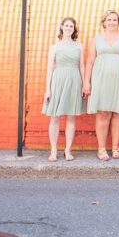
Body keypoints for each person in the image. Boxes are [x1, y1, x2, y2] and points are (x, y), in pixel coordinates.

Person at [83, 10, 119, 161]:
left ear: (118, 22)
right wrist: (87, 81)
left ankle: (115, 147)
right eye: (109, 20)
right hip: (100, 80)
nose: (112, 22)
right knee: (103, 113)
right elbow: (90, 61)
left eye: (114, 20)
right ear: (104, 22)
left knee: (118, 113)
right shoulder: (96, 38)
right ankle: (101, 148)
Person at [42, 17, 85, 162]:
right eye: (66, 25)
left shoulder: (79, 46)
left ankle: (68, 150)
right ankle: (53, 151)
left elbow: (82, 66)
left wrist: (84, 84)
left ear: (74, 29)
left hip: (74, 80)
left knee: (71, 117)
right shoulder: (54, 47)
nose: (68, 28)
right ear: (61, 27)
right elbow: (50, 68)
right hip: (58, 81)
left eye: (71, 26)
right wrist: (48, 89)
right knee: (55, 117)